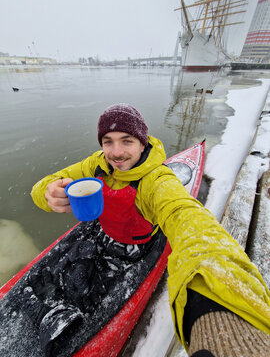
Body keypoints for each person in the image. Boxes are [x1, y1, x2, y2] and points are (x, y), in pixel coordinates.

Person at [31, 103, 270, 356]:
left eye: (127, 141)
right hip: (102, 234)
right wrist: (48, 194)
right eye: (108, 141)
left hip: (135, 247)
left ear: (143, 144)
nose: (116, 152)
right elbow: (44, 185)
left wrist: (218, 303)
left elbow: (187, 218)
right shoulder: (96, 164)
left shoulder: (156, 180)